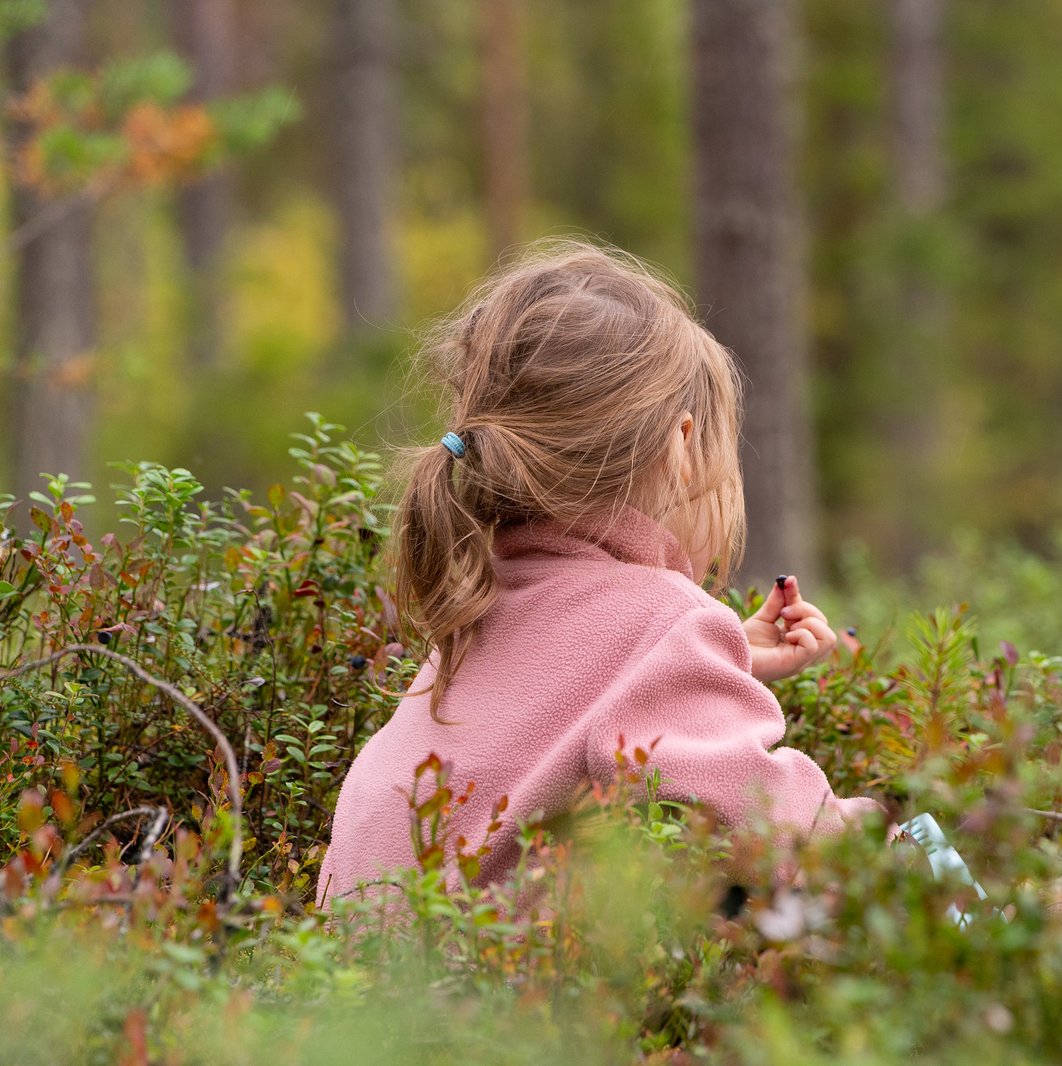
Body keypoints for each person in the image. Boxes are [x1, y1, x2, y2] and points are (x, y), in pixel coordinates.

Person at [318, 240, 882, 909]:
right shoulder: (663, 623)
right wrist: (889, 835)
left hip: (349, 999)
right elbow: (771, 829)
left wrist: (724, 661)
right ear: (681, 446)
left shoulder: (478, 603)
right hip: (507, 1005)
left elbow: (554, 708)